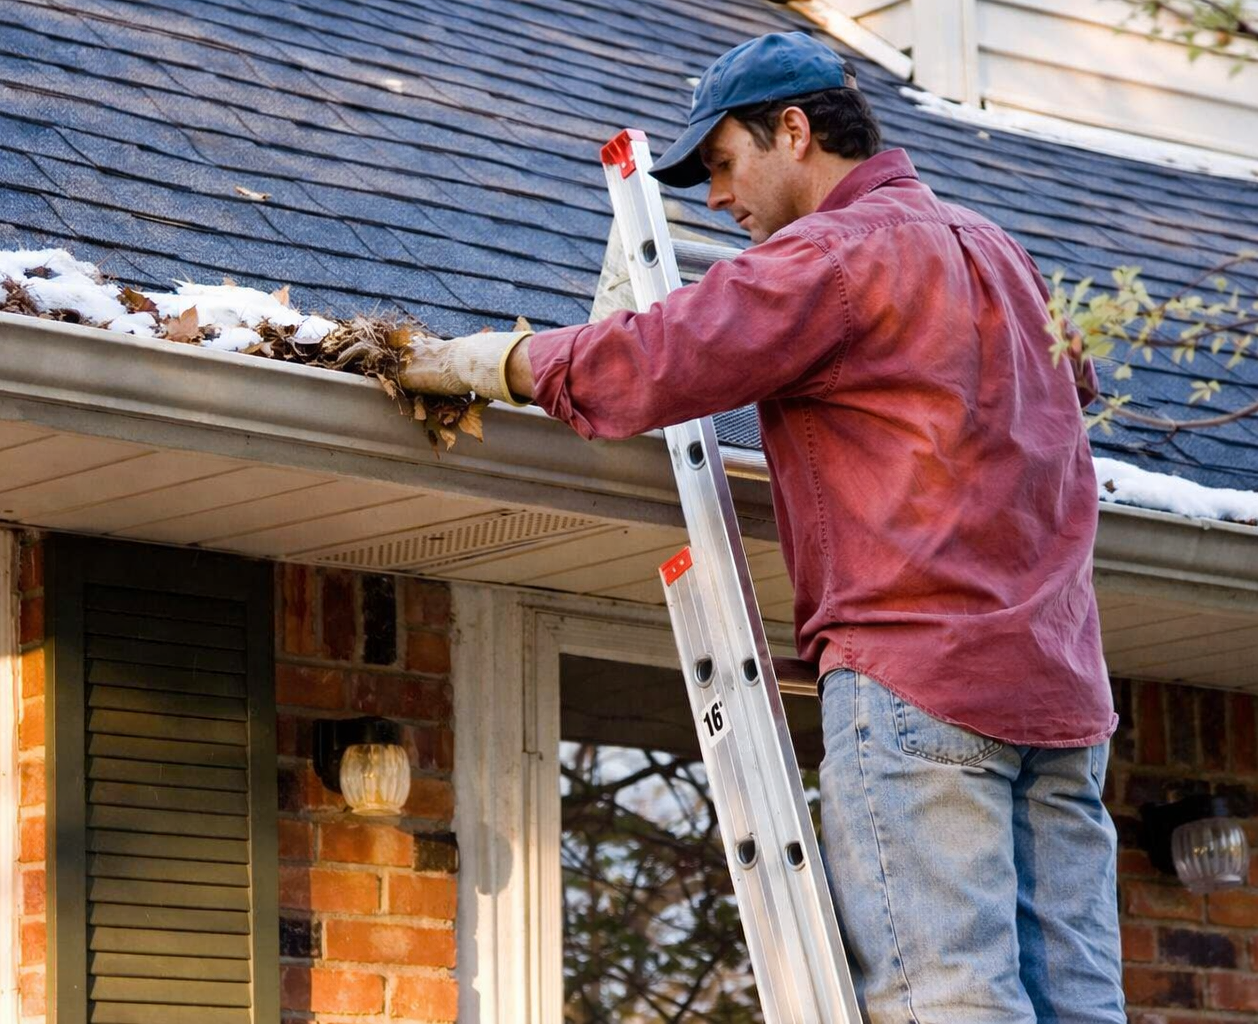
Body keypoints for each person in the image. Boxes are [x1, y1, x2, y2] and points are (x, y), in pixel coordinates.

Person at [402, 30, 1125, 1024]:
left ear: (793, 132)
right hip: (1064, 702)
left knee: (950, 1004)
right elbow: (1072, 381)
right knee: (1080, 1010)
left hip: (919, 682)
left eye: (724, 163)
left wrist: (495, 361)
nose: (712, 197)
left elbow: (657, 357)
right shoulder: (1006, 257)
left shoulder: (834, 256)